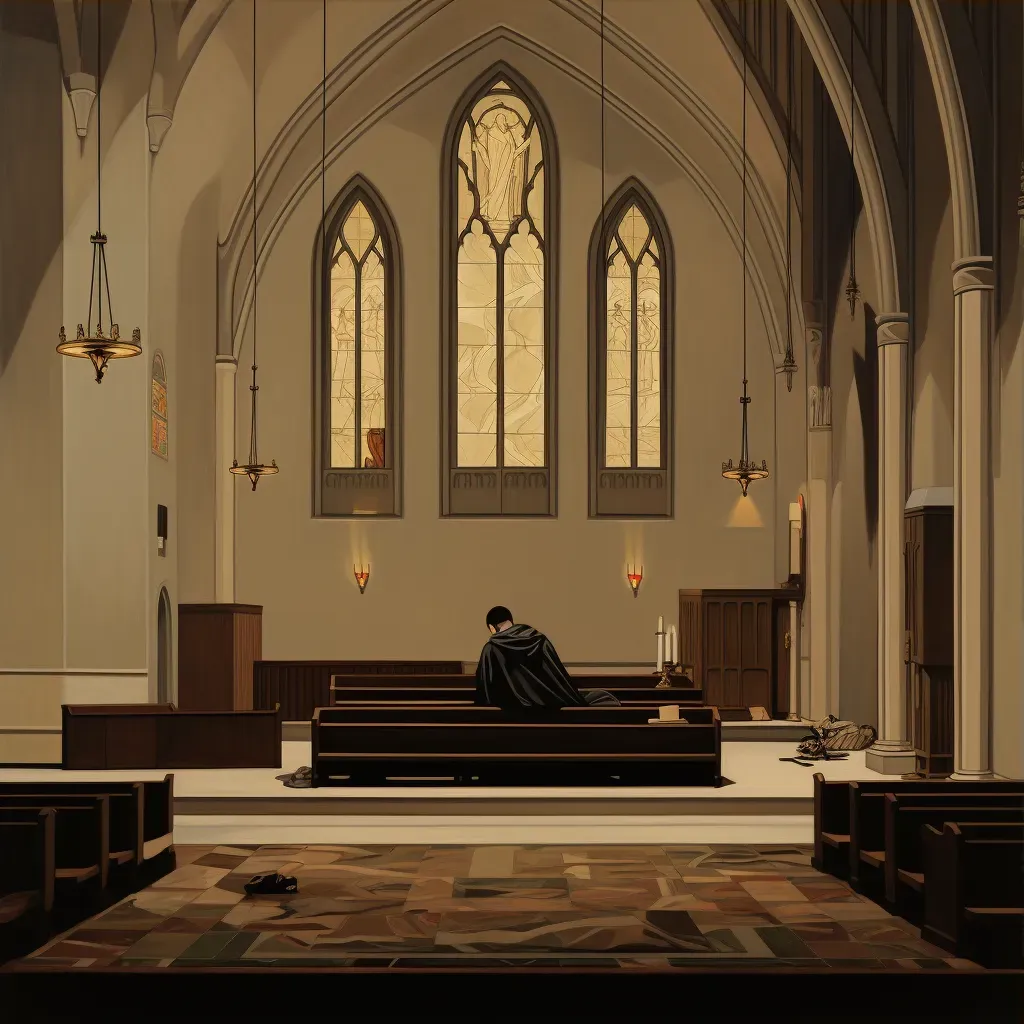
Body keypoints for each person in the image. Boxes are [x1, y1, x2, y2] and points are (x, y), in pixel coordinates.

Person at [473, 606, 620, 710]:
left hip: (511, 715)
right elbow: (558, 676)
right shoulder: (539, 639)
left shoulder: (491, 649)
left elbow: (485, 690)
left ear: (492, 628)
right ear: (511, 621)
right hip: (549, 710)